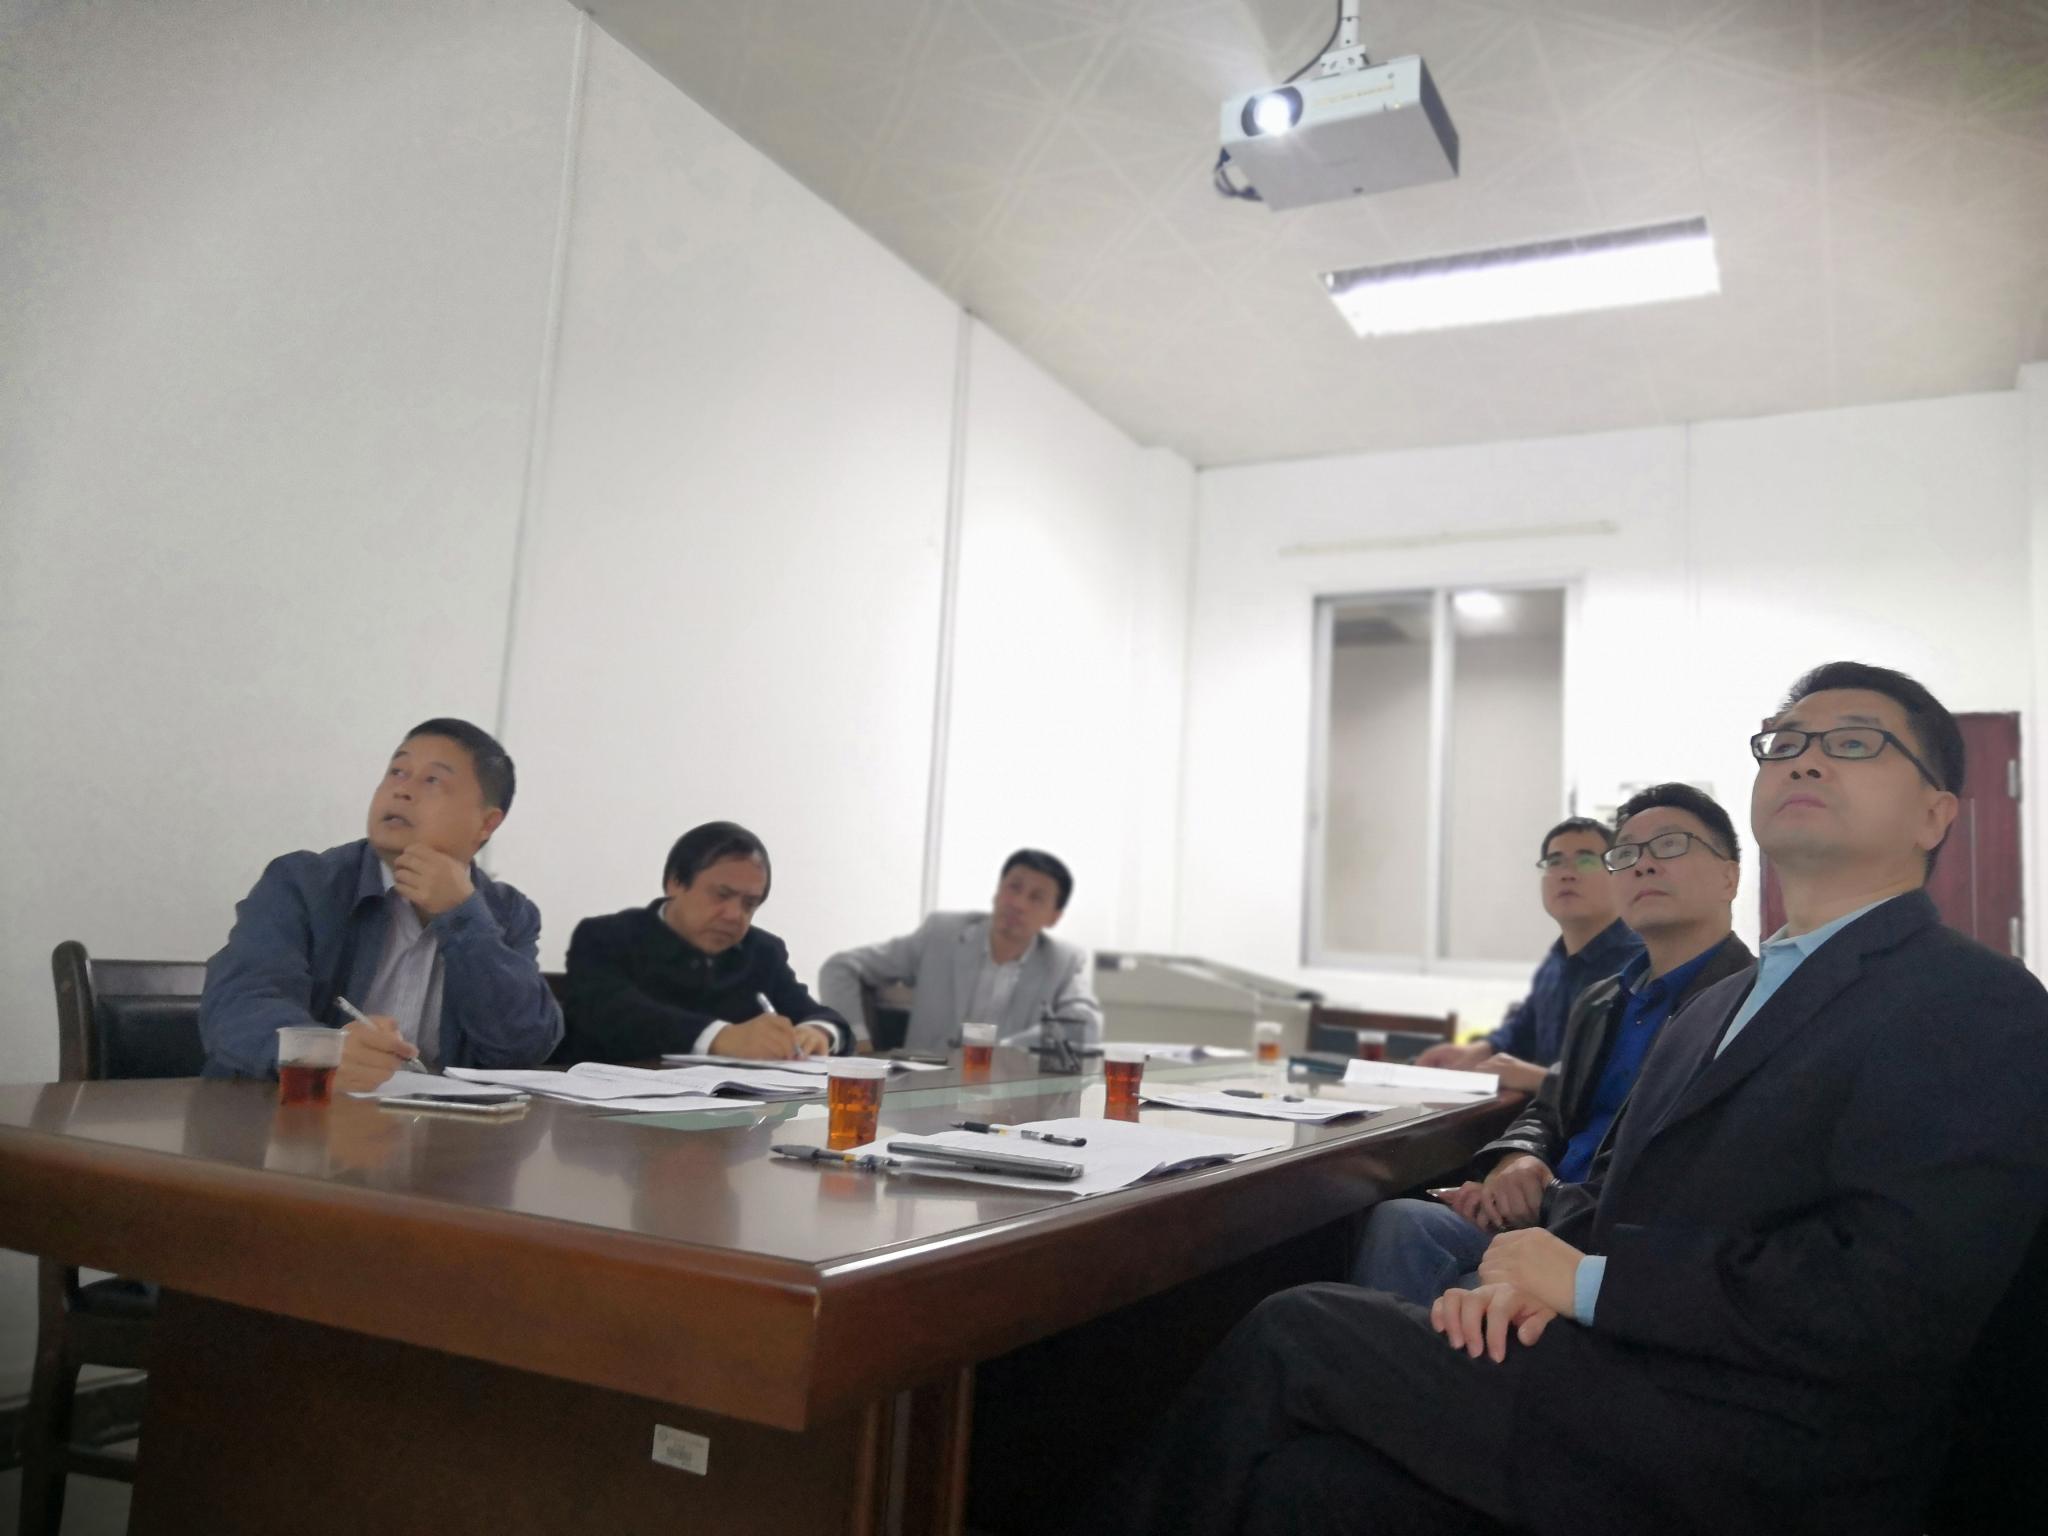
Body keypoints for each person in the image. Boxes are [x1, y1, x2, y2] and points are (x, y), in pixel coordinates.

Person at [1079, 662, 2048, 1536]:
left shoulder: (1972, 1000)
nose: (1805, 758)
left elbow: (1888, 1299)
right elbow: (1629, 1194)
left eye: (1854, 744)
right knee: (1302, 1488)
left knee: (1297, 1332)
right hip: (1624, 1378)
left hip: (1761, 1447)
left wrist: (1585, 1284)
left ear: (1934, 815)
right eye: (1784, 741)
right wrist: (1515, 1275)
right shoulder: (1716, 1006)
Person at [1350, 783, 1753, 1305]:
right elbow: (1552, 1107)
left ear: (1729, 877)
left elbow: (1682, 1176)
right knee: (1399, 1221)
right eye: (1627, 853)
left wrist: (1544, 1202)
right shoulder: (1603, 999)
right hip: (1543, 1216)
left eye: (1671, 845)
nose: (1644, 865)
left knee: (1316, 1312)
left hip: (1609, 1248)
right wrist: (1517, 1159)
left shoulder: (1750, 1005)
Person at [199, 718, 562, 1089]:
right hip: (292, 1111)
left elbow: (522, 1045)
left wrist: (463, 916)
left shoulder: (507, 913)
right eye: (397, 772)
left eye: (432, 780)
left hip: (439, 1122)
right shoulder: (303, 883)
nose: (402, 790)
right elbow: (239, 1005)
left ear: (486, 824)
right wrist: (323, 1054)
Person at [555, 821, 849, 1063]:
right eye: (721, 895)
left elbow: (817, 1014)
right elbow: (610, 1012)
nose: (734, 915)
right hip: (610, 1107)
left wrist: (818, 1032)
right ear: (675, 882)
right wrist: (720, 1038)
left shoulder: (762, 951)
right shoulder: (606, 936)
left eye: (749, 904)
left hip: (733, 1111)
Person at [1417, 817, 1642, 1092]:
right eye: (1555, 862)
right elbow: (1524, 1031)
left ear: (1618, 875)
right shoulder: (1555, 962)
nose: (1566, 873)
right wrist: (1478, 1050)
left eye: (1585, 861)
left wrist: (1537, 1078)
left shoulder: (1642, 965)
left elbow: (1631, 1086)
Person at [817, 849, 1101, 1053]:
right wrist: (857, 1038)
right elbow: (839, 968)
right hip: (922, 1094)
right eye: (1013, 888)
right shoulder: (941, 934)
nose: (1018, 903)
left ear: (1054, 917)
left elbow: (1084, 1027)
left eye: (1036, 898)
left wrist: (1003, 1050)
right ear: (997, 891)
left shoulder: (1062, 961)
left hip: (1010, 1100)